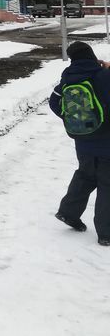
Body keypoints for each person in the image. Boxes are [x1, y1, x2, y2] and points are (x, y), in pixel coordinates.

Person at [49, 41, 110, 245]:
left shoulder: (67, 78)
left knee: (85, 175)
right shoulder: (103, 75)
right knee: (107, 184)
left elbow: (54, 102)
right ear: (91, 55)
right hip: (107, 141)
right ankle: (106, 233)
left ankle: (68, 213)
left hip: (82, 140)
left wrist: (73, 119)